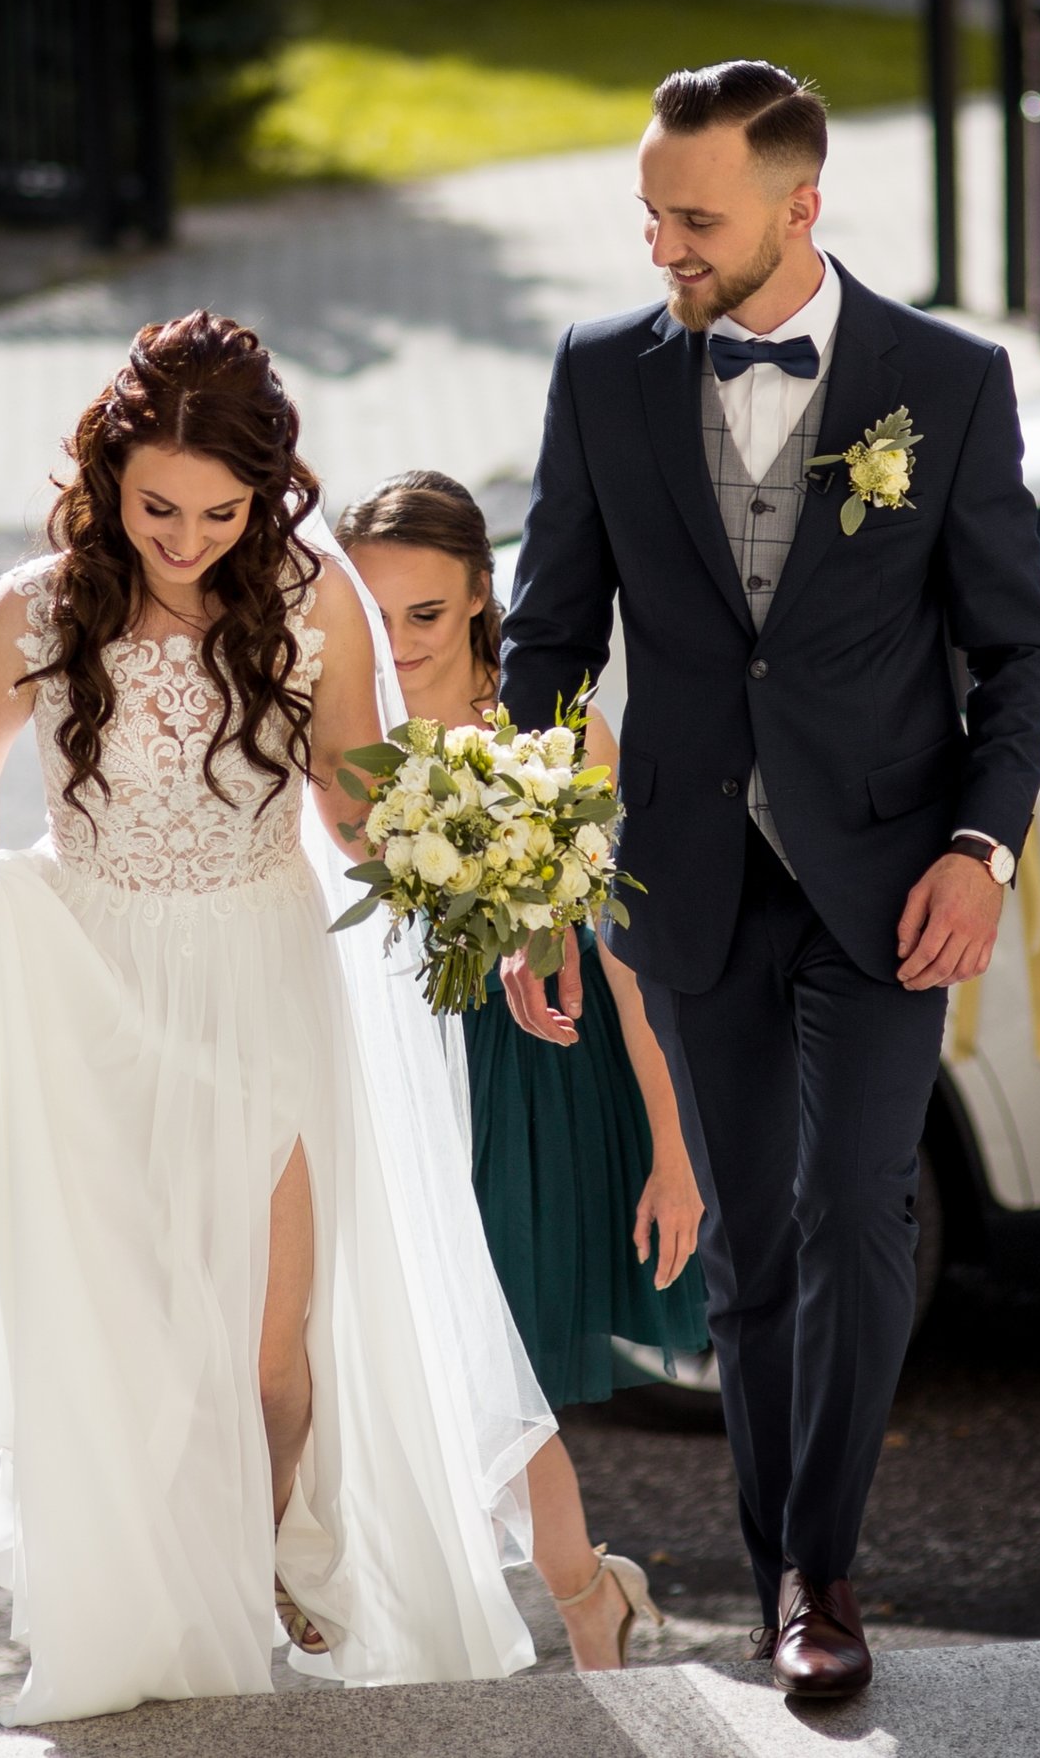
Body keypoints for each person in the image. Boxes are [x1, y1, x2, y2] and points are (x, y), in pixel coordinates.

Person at [496, 60, 1040, 1698]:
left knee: (861, 1215)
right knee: (747, 1241)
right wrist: (543, 879)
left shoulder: (946, 380)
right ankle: (784, 1572)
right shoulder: (600, 374)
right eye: (650, 213)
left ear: (799, 208)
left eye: (696, 217)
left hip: (889, 874)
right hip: (682, 875)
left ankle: (824, 1560)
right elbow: (548, 639)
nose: (663, 243)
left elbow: (1015, 650)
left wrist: (980, 844)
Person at [0, 313, 552, 1724]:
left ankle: (253, 1570)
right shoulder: (35, 605)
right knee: (141, 1334)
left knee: (275, 1347)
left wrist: (448, 850)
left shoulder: (307, 590)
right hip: (96, 979)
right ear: (107, 469)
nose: (189, 536)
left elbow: (345, 780)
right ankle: (164, 1616)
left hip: (264, 969)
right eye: (158, 507)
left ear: (266, 493)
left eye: (221, 510)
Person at [339, 469, 711, 1670]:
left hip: (523, 1076)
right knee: (391, 1358)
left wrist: (670, 1147)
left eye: (427, 615)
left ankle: (573, 1594)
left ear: (482, 598)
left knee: (483, 1353)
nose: (397, 647)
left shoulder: (548, 725)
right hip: (368, 1071)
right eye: (374, 614)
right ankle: (577, 1590)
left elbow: (625, 957)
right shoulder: (326, 722)